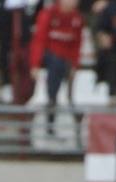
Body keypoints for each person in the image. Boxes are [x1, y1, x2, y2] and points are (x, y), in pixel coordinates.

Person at [28, 0, 83, 131]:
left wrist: (75, 65)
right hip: (49, 58)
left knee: (60, 64)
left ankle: (53, 102)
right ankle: (51, 99)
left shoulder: (77, 18)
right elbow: (39, 40)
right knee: (56, 62)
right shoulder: (48, 14)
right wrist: (35, 64)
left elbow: (76, 45)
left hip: (65, 61)